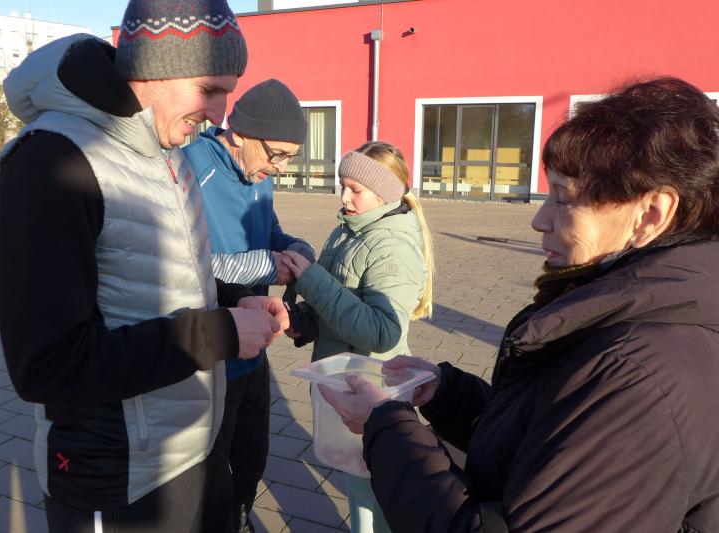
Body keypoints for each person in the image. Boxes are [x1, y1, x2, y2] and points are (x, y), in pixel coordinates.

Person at [319, 77, 719, 532]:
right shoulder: (618, 321)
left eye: (563, 199)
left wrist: (386, 427)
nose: (538, 220)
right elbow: (540, 443)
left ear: (649, 215)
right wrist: (448, 395)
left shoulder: (637, 374)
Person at [0, 1, 289, 532]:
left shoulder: (166, 152)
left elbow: (160, 276)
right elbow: (48, 365)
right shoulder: (51, 164)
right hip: (115, 476)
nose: (219, 114)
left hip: (188, 451)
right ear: (155, 66)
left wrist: (232, 300)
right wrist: (218, 332)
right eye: (209, 89)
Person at [281, 141, 435, 533]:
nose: (344, 197)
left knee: (375, 497)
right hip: (347, 385)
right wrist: (303, 321)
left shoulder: (391, 246)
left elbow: (382, 332)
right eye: (342, 186)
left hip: (374, 389)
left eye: (356, 189)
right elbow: (336, 307)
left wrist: (312, 280)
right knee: (361, 488)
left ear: (384, 193)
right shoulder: (348, 231)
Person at [182, 78, 314, 533]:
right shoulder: (190, 166)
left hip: (253, 347)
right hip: (211, 349)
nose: (279, 167)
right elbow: (188, 263)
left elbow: (269, 231)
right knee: (210, 473)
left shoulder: (259, 175)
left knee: (252, 455)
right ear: (239, 133)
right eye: (276, 154)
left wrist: (295, 249)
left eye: (290, 158)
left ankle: (240, 517)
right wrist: (264, 265)